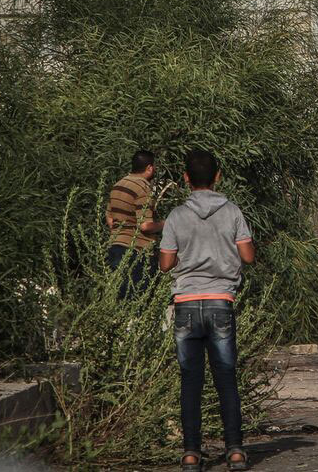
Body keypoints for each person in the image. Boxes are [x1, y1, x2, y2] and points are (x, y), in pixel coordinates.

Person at [158, 149, 254, 472]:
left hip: (185, 306)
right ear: (218, 177)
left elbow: (166, 263)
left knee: (191, 382)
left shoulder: (175, 216)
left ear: (185, 178)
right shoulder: (233, 212)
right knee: (226, 378)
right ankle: (236, 451)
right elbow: (248, 256)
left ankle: (190, 454)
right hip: (220, 303)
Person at [105, 149, 165, 295]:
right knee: (137, 297)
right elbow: (145, 226)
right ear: (149, 168)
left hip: (115, 246)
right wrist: (166, 223)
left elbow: (110, 219)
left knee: (120, 299)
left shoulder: (118, 185)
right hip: (136, 251)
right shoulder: (143, 188)